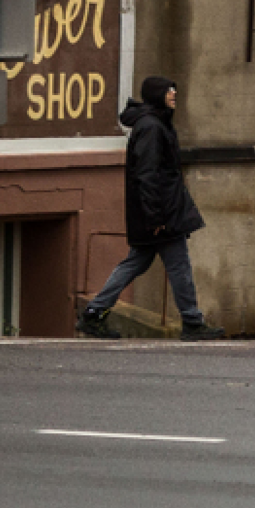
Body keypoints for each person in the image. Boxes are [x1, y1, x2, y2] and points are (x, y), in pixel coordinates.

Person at [77, 76, 226, 340]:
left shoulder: (154, 124)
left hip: (156, 210)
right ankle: (192, 321)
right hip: (160, 213)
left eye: (174, 89)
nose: (173, 94)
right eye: (169, 90)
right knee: (179, 265)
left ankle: (93, 313)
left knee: (136, 262)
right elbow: (147, 174)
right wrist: (155, 216)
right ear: (157, 95)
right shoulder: (152, 127)